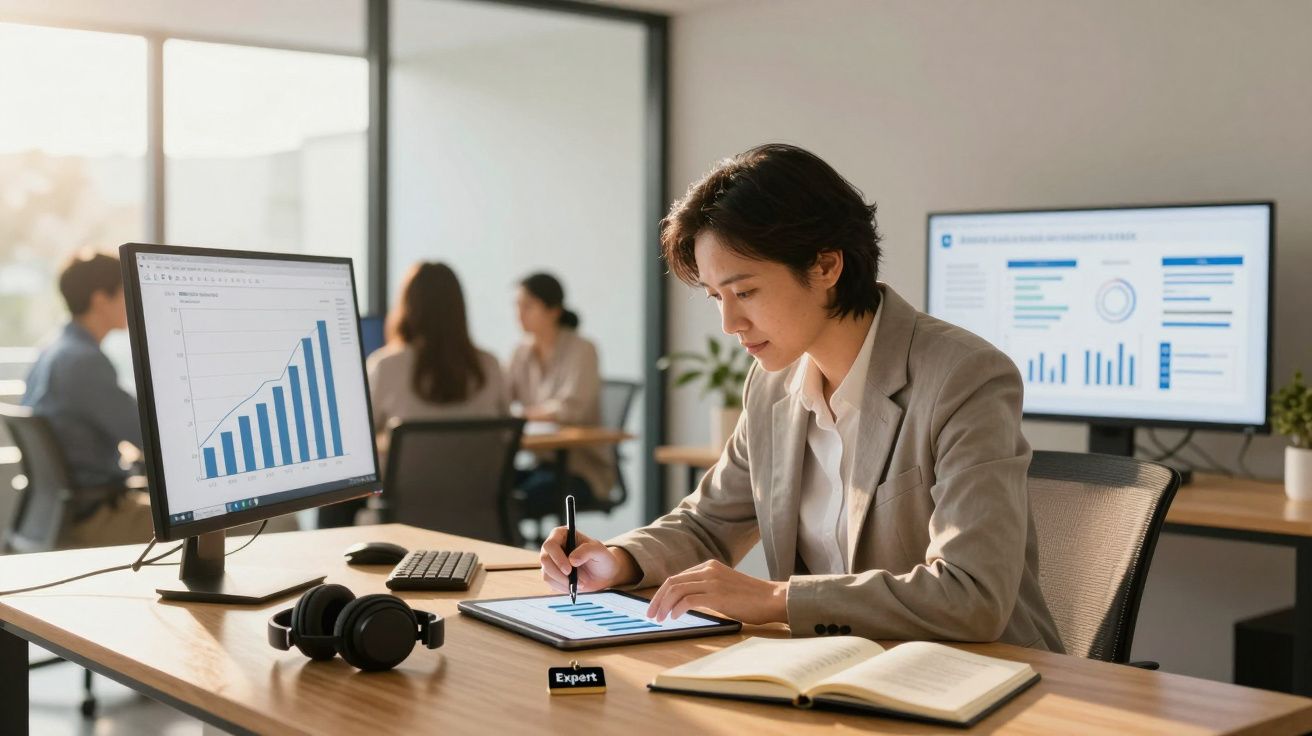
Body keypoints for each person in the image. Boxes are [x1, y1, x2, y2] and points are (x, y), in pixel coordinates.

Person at [539, 144, 1063, 652]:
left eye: (745, 292)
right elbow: (710, 522)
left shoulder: (963, 376)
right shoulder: (772, 385)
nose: (729, 323)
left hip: (984, 675)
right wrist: (619, 560)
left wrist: (776, 599)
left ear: (826, 267)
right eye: (717, 297)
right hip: (838, 670)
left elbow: (971, 593)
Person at [320, 262, 509, 528]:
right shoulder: (489, 365)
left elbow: (357, 442)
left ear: (407, 307)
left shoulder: (386, 366)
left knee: (334, 494)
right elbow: (504, 434)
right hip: (478, 511)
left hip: (403, 511)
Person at [21, 250, 153, 548]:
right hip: (95, 518)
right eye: (126, 293)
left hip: (53, 516)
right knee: (214, 524)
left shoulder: (51, 351)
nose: (133, 302)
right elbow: (147, 436)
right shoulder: (84, 362)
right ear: (101, 300)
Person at [506, 273, 615, 518]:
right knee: (486, 487)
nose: (519, 314)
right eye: (517, 306)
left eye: (528, 306)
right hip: (540, 464)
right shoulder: (521, 352)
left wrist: (521, 414)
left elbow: (569, 410)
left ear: (553, 310)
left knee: (515, 503)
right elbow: (501, 402)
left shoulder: (582, 349)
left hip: (581, 470)